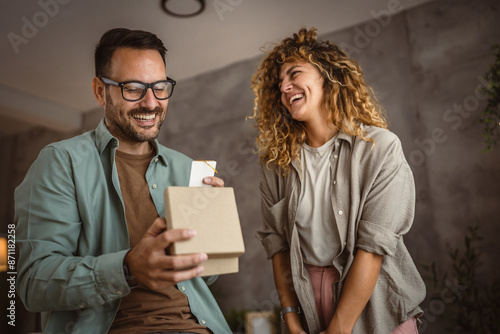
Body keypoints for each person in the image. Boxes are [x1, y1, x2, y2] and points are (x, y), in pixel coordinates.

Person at [15, 28, 232, 334]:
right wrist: (126, 269)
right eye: (133, 88)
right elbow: (32, 283)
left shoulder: (186, 168)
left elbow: (204, 279)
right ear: (100, 91)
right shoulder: (61, 162)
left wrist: (211, 237)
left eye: (159, 87)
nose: (150, 102)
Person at [251, 28, 426, 334]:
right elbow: (277, 247)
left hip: (377, 302)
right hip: (308, 301)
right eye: (279, 84)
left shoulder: (380, 148)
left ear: (328, 76)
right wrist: (291, 318)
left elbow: (372, 249)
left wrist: (339, 329)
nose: (285, 87)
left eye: (295, 74)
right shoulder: (274, 164)